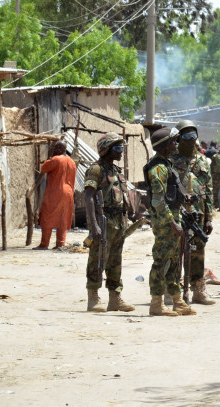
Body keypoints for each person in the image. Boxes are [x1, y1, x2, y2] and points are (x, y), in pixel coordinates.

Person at [144, 127, 194, 316]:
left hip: (173, 217)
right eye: (173, 141)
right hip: (165, 221)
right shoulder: (158, 168)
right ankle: (156, 303)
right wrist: (172, 222)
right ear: (164, 145)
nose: (176, 144)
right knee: (161, 261)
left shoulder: (167, 166)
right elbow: (158, 201)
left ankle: (177, 300)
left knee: (173, 261)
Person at [83, 133, 134, 313]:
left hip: (119, 222)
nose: (121, 152)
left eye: (122, 148)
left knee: (115, 260)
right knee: (98, 259)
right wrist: (94, 225)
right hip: (103, 221)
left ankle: (115, 297)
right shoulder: (96, 170)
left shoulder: (116, 171)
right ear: (106, 150)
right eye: (117, 148)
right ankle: (93, 297)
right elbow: (88, 197)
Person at [170, 120, 216, 306]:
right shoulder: (171, 160)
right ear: (178, 138)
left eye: (193, 136)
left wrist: (209, 218)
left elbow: (209, 190)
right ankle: (173, 289)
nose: (190, 140)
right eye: (186, 136)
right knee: (175, 251)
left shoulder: (203, 161)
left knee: (198, 251)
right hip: (178, 212)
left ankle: (198, 290)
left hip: (198, 214)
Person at [36, 140, 77, 250]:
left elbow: (44, 168)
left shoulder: (56, 159)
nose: (53, 150)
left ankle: (44, 244)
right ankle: (61, 243)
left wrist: (50, 157)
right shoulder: (72, 162)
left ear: (59, 149)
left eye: (54, 148)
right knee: (63, 217)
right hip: (68, 192)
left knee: (47, 216)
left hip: (56, 191)